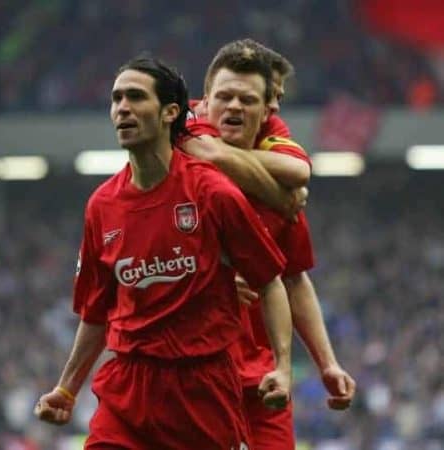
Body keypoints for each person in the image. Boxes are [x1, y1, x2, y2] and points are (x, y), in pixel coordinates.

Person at [34, 55, 295, 450]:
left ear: (171, 112)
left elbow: (270, 281)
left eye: (136, 97)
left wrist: (284, 367)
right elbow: (95, 312)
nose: (122, 108)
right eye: (116, 98)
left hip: (202, 390)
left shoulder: (214, 194)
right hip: (129, 389)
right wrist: (67, 389)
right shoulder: (102, 206)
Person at [180, 40, 356, 450]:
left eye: (257, 99)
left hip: (261, 378)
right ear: (206, 101)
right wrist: (280, 196)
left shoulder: (276, 147)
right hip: (187, 370)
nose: (237, 107)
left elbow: (294, 278)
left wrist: (327, 363)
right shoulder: (179, 132)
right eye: (225, 96)